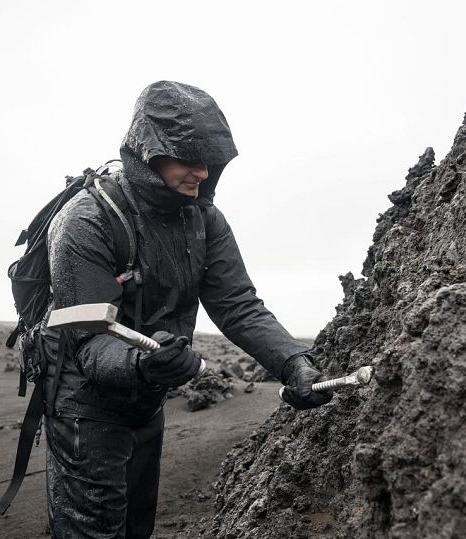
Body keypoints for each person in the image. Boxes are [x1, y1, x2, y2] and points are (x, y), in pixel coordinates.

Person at [43, 80, 332, 538]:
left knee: (137, 528)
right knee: (93, 532)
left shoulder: (204, 220)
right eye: (189, 158)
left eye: (210, 162)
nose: (202, 172)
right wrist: (144, 362)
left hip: (147, 398)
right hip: (85, 408)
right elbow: (89, 341)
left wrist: (293, 362)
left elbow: (238, 306)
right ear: (148, 153)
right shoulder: (87, 220)